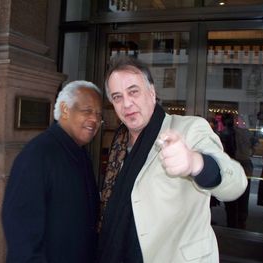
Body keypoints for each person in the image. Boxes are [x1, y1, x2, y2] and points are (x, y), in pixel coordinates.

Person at [97, 56, 248, 263]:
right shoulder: (119, 142)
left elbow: (236, 183)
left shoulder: (189, 128)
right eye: (117, 97)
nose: (127, 103)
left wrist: (195, 163)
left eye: (133, 91)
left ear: (152, 92)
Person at [2, 80, 103, 263]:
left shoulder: (80, 154)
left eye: (98, 114)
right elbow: (22, 235)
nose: (95, 119)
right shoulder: (37, 155)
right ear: (65, 109)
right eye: (87, 111)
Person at [220, 113, 252, 229]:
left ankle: (233, 222)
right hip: (244, 164)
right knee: (243, 195)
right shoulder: (245, 133)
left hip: (233, 164)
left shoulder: (226, 134)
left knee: (232, 195)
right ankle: (241, 221)